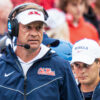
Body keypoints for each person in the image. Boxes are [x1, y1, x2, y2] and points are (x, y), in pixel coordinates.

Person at [0, 2, 82, 100]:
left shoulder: (61, 67)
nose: (34, 34)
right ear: (14, 29)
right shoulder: (2, 65)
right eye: (28, 27)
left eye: (39, 28)